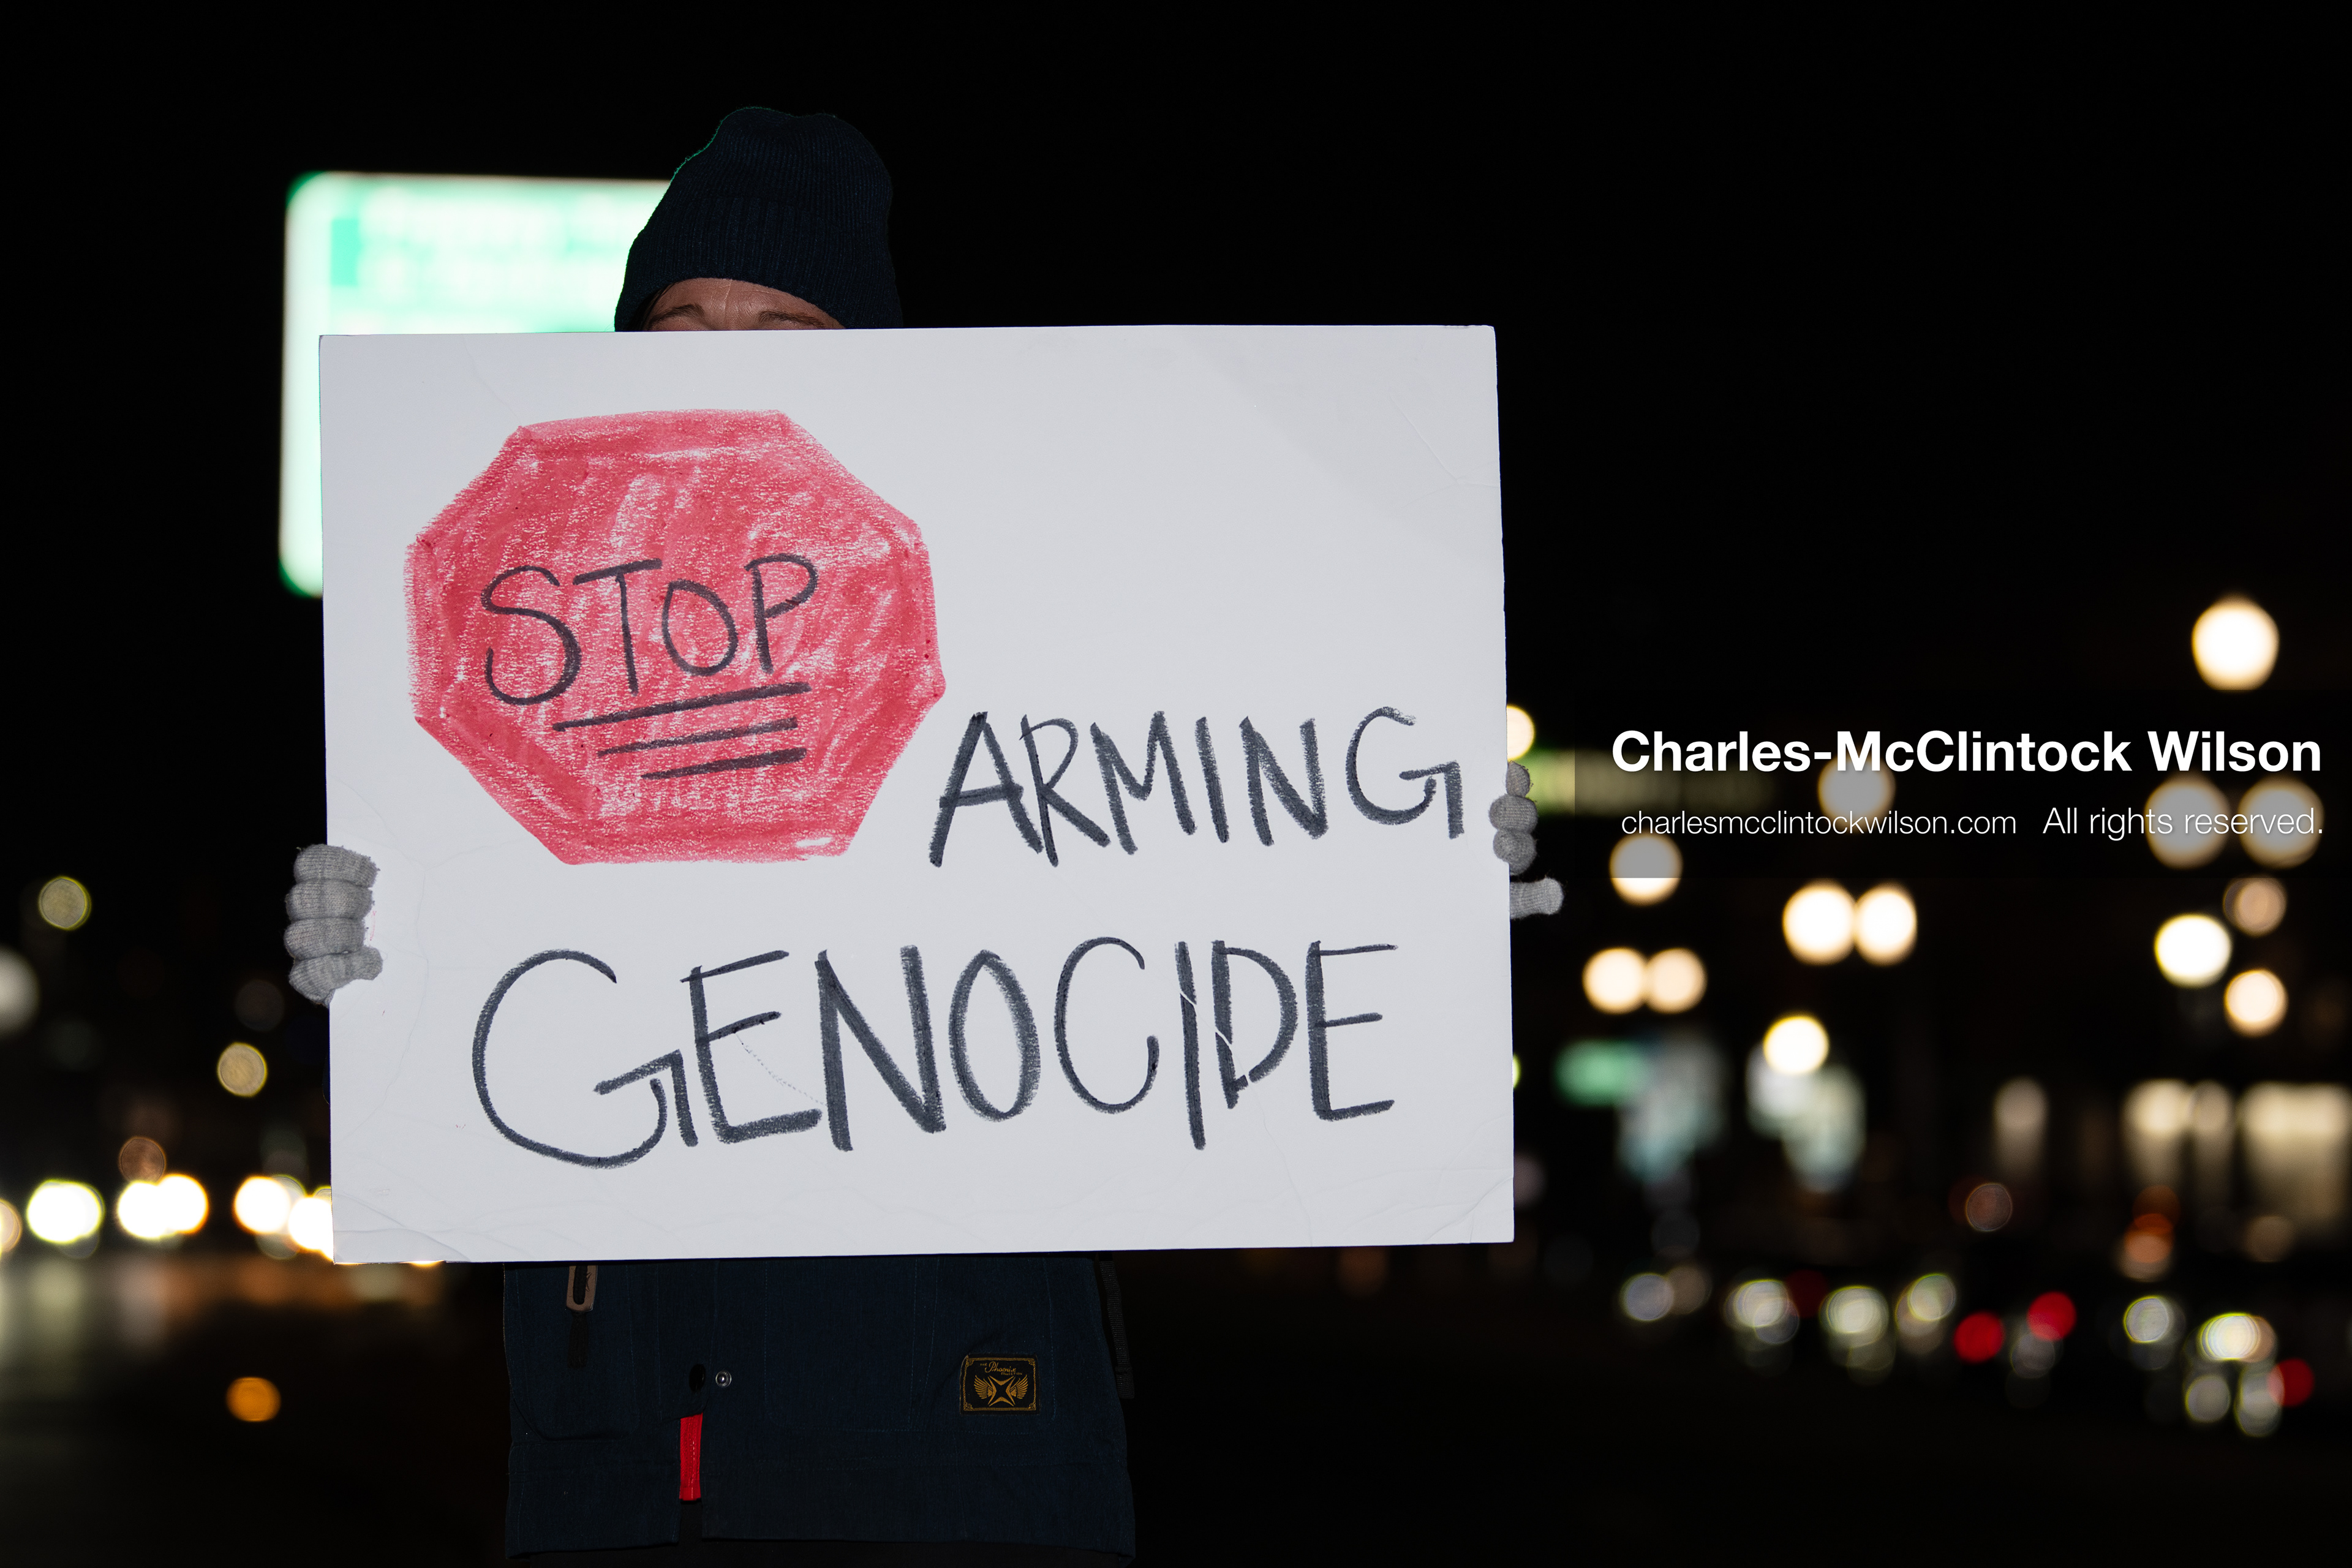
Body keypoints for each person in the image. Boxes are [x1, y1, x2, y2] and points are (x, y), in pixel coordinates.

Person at [283, 108, 1562, 1564]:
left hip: (965, 1460)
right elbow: (480, 1083)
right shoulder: (523, 667)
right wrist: (378, 957)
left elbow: (1214, 882)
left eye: (781, 325)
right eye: (681, 321)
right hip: (626, 1465)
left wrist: (1418, 880)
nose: (721, 357)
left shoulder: (1037, 649)